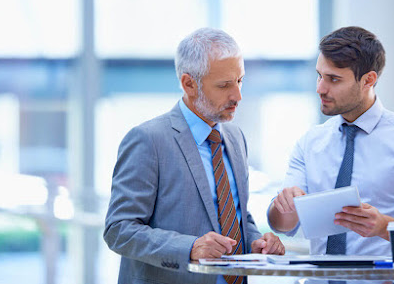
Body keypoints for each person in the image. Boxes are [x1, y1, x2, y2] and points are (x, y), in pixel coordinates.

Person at [104, 27, 284, 284]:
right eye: (224, 85)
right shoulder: (148, 140)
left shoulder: (235, 138)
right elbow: (119, 230)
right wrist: (189, 249)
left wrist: (257, 240)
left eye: (240, 81)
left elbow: (235, 212)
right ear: (189, 84)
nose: (238, 96)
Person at [267, 26, 394, 256]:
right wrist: (282, 205)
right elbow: (284, 225)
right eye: (319, 75)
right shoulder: (310, 143)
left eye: (334, 79)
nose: (320, 89)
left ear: (368, 80)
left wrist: (385, 227)